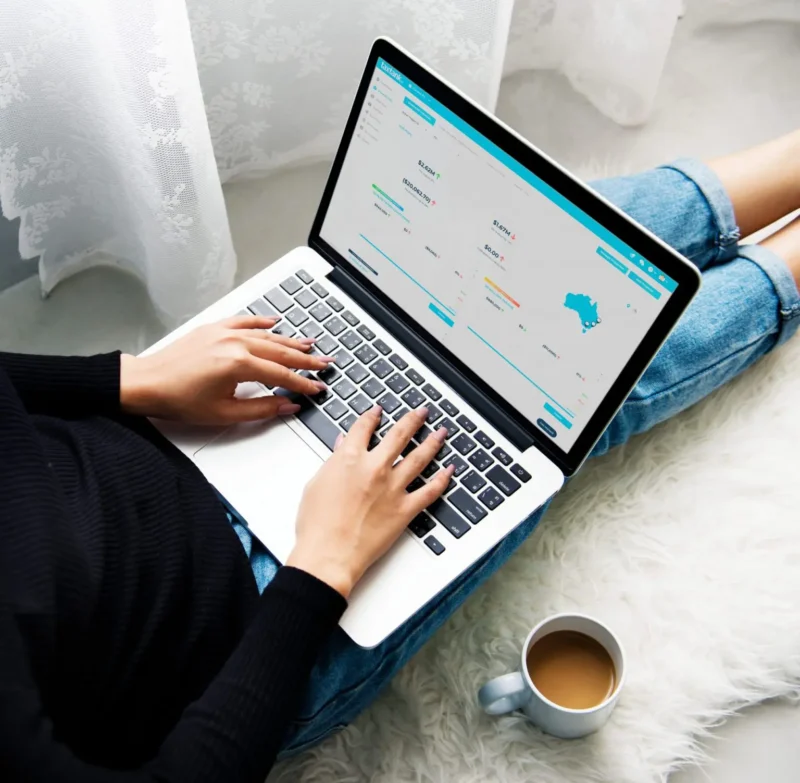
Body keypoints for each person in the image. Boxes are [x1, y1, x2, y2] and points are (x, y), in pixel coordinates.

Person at [2, 132, 800, 782]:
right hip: (255, 628)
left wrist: (132, 378)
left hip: (160, 431)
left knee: (508, 271)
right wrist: (322, 568)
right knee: (553, 406)